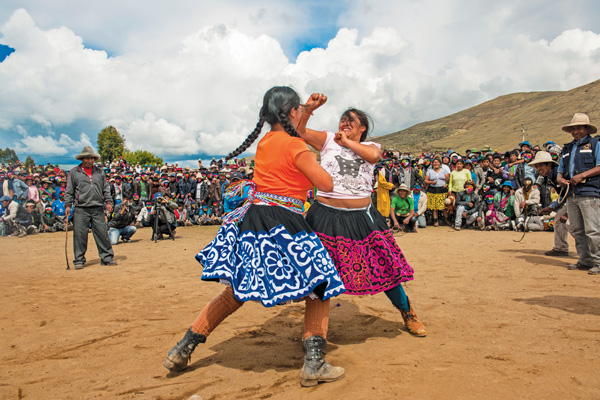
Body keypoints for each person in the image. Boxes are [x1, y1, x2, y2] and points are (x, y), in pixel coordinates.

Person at [164, 87, 345, 387]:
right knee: (320, 284)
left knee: (236, 290)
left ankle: (184, 347)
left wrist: (309, 111)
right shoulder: (296, 148)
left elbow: (292, 136)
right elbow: (325, 182)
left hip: (255, 218)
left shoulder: (266, 142)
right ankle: (314, 363)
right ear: (290, 113)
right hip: (284, 220)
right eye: (299, 108)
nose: (302, 111)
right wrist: (323, 164)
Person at [299, 101, 426, 338]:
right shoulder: (327, 140)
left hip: (362, 219)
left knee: (385, 266)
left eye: (352, 121)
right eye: (343, 120)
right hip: (324, 216)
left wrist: (346, 142)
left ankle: (407, 311)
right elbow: (299, 131)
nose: (345, 123)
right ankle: (314, 333)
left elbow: (374, 156)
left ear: (362, 128)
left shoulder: (370, 146)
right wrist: (307, 111)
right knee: (319, 272)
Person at [556, 113, 600, 274]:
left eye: (579, 128)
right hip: (572, 193)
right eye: (573, 129)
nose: (575, 131)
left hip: (589, 192)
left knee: (593, 229)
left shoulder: (595, 144)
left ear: (587, 128)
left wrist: (582, 175)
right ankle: (585, 260)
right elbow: (560, 171)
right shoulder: (567, 148)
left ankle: (598, 261)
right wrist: (560, 178)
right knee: (576, 229)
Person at [64, 146, 116, 270]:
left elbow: (105, 189)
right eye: (87, 158)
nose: (90, 161)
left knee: (102, 233)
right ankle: (79, 259)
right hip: (81, 208)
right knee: (80, 234)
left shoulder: (100, 172)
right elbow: (69, 190)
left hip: (98, 207)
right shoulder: (74, 172)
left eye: (92, 158)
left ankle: (107, 257)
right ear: (82, 159)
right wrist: (67, 205)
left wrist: (108, 202)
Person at [529, 151, 571, 256]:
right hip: (571, 201)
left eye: (540, 166)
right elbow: (563, 196)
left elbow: (572, 192)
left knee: (574, 225)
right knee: (558, 219)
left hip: (578, 199)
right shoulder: (551, 176)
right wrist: (551, 207)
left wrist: (568, 213)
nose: (538, 169)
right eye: (536, 167)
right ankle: (560, 248)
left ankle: (590, 255)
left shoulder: (560, 174)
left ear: (549, 164)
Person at [424, 158, 449, 226]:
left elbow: (448, 179)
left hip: (442, 190)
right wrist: (431, 182)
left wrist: (447, 179)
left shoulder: (444, 170)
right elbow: (425, 181)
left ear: (440, 164)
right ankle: (436, 220)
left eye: (437, 162)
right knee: (434, 207)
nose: (436, 163)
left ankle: (446, 219)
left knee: (444, 206)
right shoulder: (429, 171)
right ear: (432, 164)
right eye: (434, 162)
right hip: (433, 189)